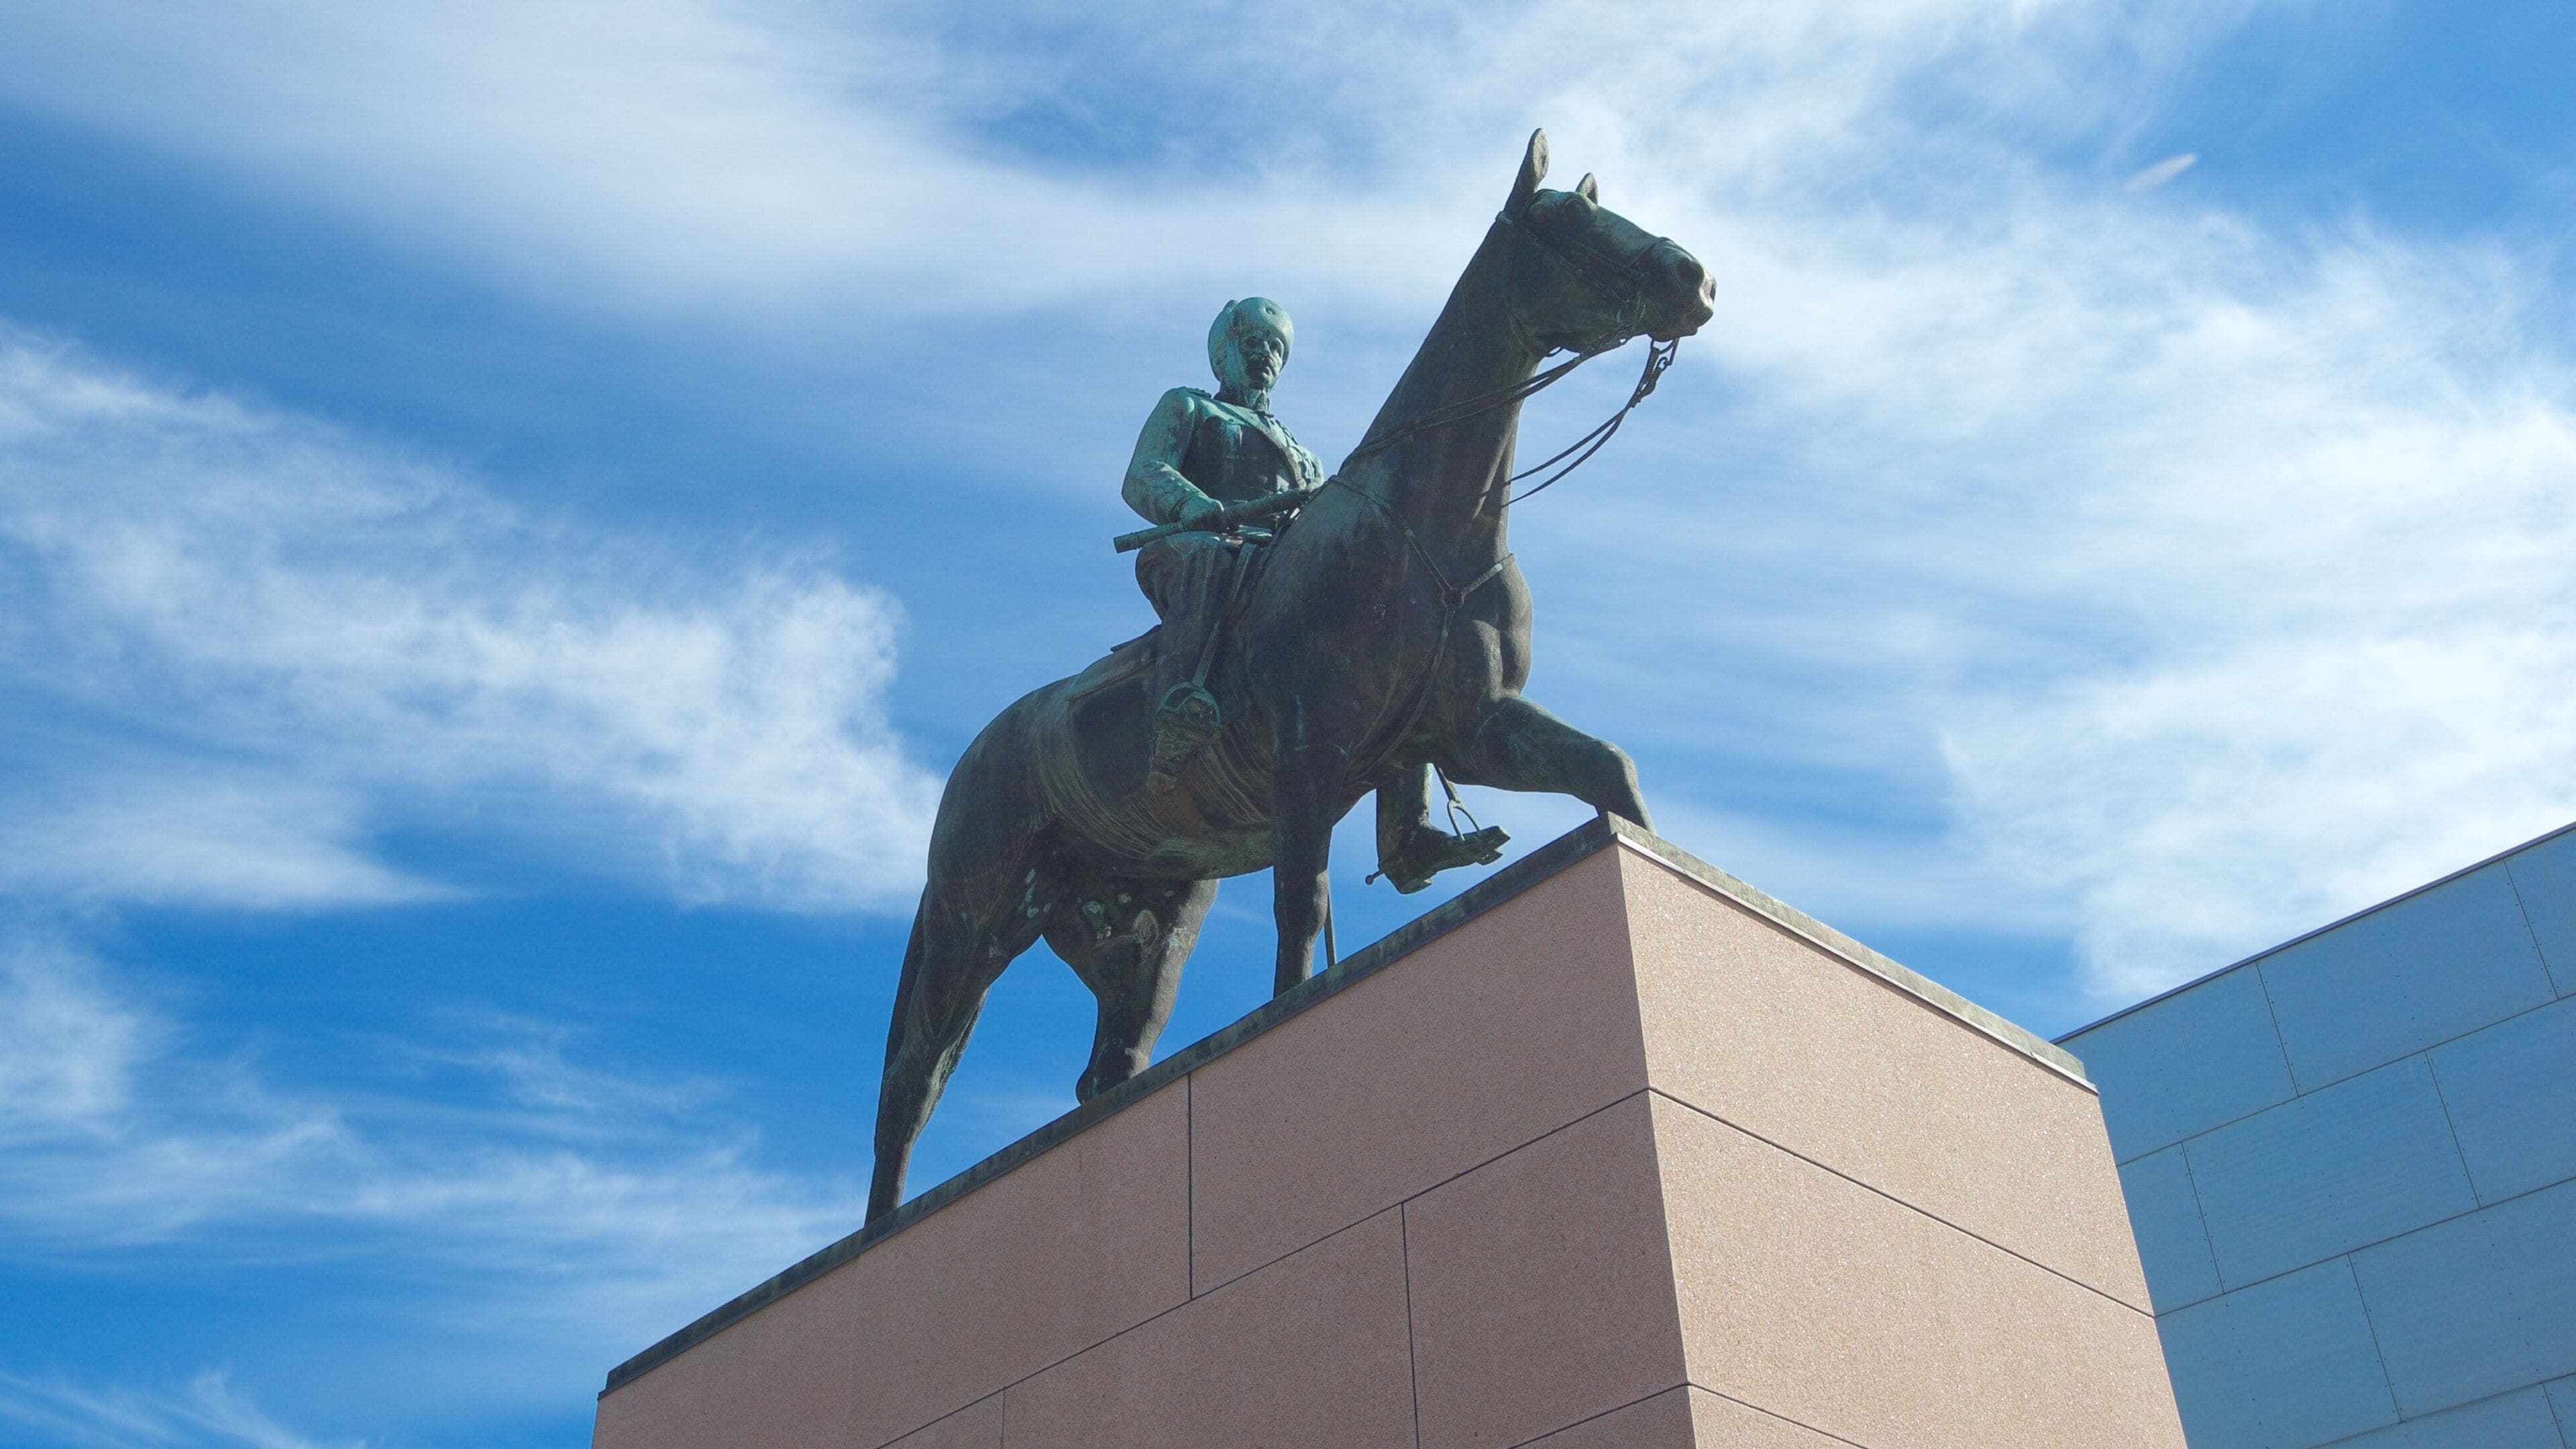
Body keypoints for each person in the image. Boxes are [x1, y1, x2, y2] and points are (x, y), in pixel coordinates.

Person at [1122, 298, 1505, 891]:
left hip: (1274, 566)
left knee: (1387, 654)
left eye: (1276, 349)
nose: (1265, 357)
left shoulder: (1302, 453)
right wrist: (1194, 506)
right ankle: (1182, 704)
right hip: (1199, 549)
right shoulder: (1190, 407)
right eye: (1253, 344)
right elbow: (1144, 473)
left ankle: (1410, 833)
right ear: (1224, 351)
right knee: (1214, 561)